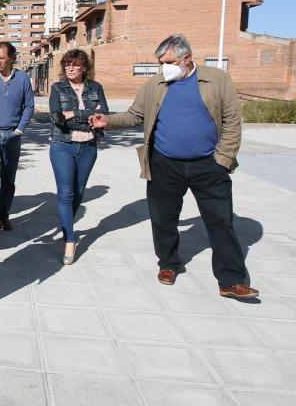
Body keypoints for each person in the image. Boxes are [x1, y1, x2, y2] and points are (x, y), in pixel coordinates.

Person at [90, 34, 258, 299]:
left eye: (168, 61)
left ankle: (231, 279)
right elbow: (135, 115)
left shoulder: (216, 80)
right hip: (164, 164)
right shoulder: (155, 83)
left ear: (187, 59)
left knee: (221, 222)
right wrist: (107, 121)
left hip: (208, 166)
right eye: (160, 62)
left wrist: (222, 160)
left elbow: (232, 121)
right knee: (163, 219)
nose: (163, 67)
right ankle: (168, 264)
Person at [48, 49, 108, 265]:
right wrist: (87, 115)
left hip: (89, 147)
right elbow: (57, 118)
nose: (69, 68)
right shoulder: (57, 88)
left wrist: (74, 113)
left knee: (79, 191)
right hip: (62, 145)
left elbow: (104, 116)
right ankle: (70, 240)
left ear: (84, 67)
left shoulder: (96, 88)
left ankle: (67, 227)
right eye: (66, 64)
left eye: (74, 64)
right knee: (65, 193)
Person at [0, 41, 35, 234]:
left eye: (2, 58)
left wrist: (19, 130)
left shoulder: (23, 79)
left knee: (9, 179)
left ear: (12, 58)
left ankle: (4, 215)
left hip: (12, 134)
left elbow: (29, 106)